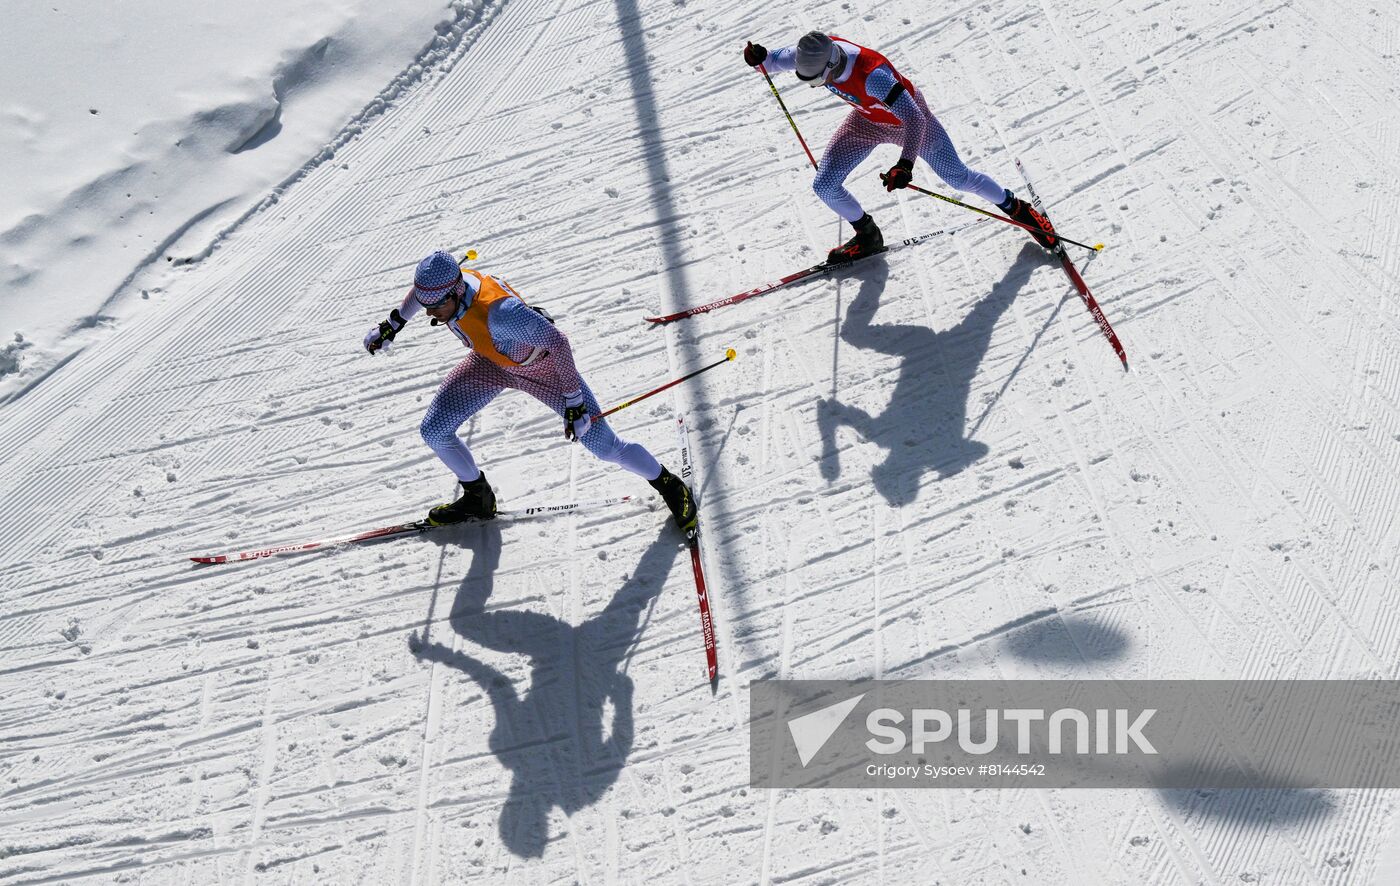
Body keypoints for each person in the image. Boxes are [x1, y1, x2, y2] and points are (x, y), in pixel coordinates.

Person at [363, 250, 697, 531]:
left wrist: (574, 402)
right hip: (490, 364)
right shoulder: (448, 284)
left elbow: (558, 342)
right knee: (434, 430)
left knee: (604, 446)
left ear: (454, 293)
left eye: (435, 308)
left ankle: (668, 484)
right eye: (427, 307)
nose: (431, 315)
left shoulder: (501, 315)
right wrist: (392, 324)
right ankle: (478, 498)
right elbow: (419, 296)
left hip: (544, 372)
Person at [743, 32, 1058, 263]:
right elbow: (772, 62)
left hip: (911, 124)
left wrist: (905, 164)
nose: (815, 86)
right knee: (824, 185)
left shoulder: (873, 76)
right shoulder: (816, 53)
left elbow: (915, 120)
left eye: (815, 82)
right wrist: (760, 58)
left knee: (959, 178)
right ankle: (867, 235)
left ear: (831, 65)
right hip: (865, 122)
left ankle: (1017, 209)